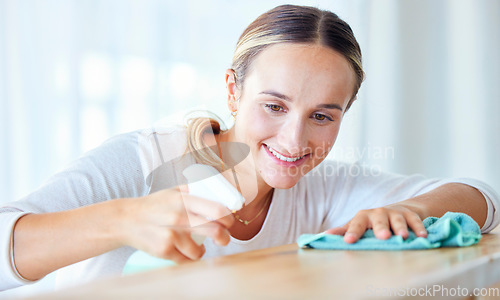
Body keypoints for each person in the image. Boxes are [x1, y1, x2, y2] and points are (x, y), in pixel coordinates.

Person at [1, 4, 498, 291]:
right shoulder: (144, 158)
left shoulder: (325, 185)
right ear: (234, 90)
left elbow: (482, 198)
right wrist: (124, 218)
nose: (295, 141)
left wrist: (408, 208)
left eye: (323, 116)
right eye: (274, 106)